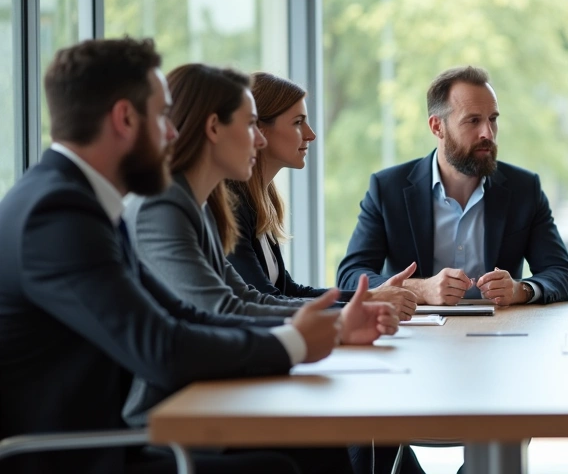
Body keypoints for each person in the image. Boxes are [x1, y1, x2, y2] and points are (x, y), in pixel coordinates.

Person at [0, 38, 398, 474]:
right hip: (71, 457)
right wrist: (296, 341)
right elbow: (162, 346)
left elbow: (183, 315)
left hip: (109, 442)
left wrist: (331, 326)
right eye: (161, 116)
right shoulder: (58, 214)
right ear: (124, 118)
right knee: (277, 466)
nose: (172, 132)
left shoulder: (83, 204)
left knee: (314, 445)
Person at [337, 66, 568, 306]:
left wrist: (521, 289)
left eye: (492, 119)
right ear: (437, 126)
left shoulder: (524, 188)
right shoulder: (387, 189)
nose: (488, 133)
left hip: (500, 333)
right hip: (418, 337)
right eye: (473, 120)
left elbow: (562, 274)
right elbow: (350, 276)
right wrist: (421, 288)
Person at [227, 72, 417, 321]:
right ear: (260, 130)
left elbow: (288, 291)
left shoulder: (261, 201)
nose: (311, 134)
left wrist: (372, 295)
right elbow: (266, 301)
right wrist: (366, 303)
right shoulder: (232, 205)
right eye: (298, 123)